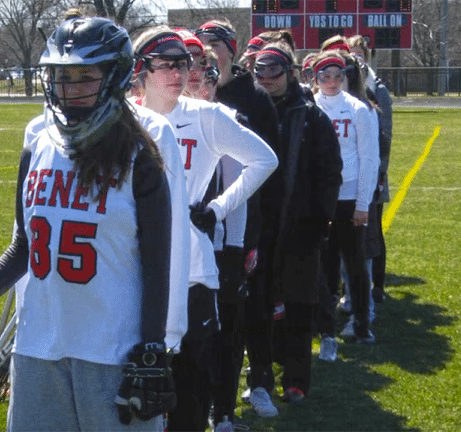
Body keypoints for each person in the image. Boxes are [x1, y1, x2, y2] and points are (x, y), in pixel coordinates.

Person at [0, 17, 183, 431]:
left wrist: (150, 351)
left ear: (114, 78)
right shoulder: (37, 143)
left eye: (84, 76)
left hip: (111, 353)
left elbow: (157, 266)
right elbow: (26, 245)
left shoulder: (140, 159)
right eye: (60, 75)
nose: (69, 87)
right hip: (38, 347)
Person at [132, 26, 278, 432]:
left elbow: (264, 161)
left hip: (193, 271)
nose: (179, 72)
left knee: (191, 389)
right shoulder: (124, 119)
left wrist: (217, 208)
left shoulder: (209, 116)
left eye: (184, 63)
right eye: (167, 64)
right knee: (135, 386)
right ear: (140, 69)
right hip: (132, 267)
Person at [195, 18, 282, 421]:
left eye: (212, 47)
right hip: (186, 242)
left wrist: (248, 239)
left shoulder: (247, 104)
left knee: (243, 316)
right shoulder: (165, 115)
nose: (198, 82)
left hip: (232, 233)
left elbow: (263, 169)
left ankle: (253, 388)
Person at [253, 42, 343, 403]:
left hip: (301, 225)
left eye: (275, 71)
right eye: (261, 71)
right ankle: (262, 373)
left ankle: (296, 379)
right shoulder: (249, 111)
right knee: (261, 304)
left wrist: (322, 219)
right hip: (259, 225)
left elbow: (330, 171)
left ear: (290, 72)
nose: (268, 79)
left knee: (299, 303)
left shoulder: (311, 115)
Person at [312, 50, 380, 349]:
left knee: (354, 264)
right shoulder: (310, 106)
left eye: (337, 76)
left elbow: (369, 158)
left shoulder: (358, 109)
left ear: (345, 77)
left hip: (350, 196)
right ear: (314, 78)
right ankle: (325, 325)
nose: (331, 82)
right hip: (319, 197)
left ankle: (362, 324)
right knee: (323, 264)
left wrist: (363, 204)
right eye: (325, 76)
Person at [349, 35, 394, 304]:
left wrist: (378, 176)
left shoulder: (378, 90)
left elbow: (384, 138)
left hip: (374, 177)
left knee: (373, 234)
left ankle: (377, 285)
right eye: (349, 54)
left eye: (358, 55)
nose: (354, 60)